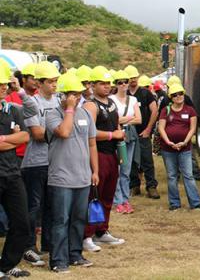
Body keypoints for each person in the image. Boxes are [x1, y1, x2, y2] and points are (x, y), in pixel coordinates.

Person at [46, 74, 99, 272]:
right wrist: (68, 109)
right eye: (72, 94)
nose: (76, 98)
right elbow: (64, 132)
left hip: (83, 177)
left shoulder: (85, 114)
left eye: (78, 94)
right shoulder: (52, 114)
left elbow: (92, 143)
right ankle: (58, 260)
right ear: (63, 95)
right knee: (61, 220)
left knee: (78, 219)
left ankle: (75, 254)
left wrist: (95, 170)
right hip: (61, 177)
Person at [20, 62, 63, 267]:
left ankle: (48, 243)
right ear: (39, 83)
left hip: (55, 161)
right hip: (35, 162)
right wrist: (59, 130)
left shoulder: (59, 101)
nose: (54, 85)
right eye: (50, 81)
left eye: (56, 81)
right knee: (33, 206)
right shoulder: (32, 103)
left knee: (51, 205)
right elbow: (37, 134)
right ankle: (28, 245)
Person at [82, 67, 126, 253]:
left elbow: (116, 126)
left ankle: (102, 230)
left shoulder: (112, 103)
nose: (107, 87)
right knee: (95, 196)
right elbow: (88, 133)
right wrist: (111, 135)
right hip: (97, 154)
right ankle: (87, 234)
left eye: (109, 83)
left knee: (108, 194)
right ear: (92, 85)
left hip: (111, 154)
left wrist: (119, 141)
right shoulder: (91, 106)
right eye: (102, 83)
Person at [0, 68, 33, 278]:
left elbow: (25, 137)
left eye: (4, 84)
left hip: (12, 174)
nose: (3, 88)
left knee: (22, 222)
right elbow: (17, 138)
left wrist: (3, 140)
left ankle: (6, 265)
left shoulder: (13, 109)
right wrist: (12, 139)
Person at [157, 82, 200, 211]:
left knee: (188, 175)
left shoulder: (190, 110)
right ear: (171, 97)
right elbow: (161, 128)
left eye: (180, 94)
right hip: (168, 149)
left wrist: (185, 142)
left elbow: (192, 129)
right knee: (172, 176)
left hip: (185, 148)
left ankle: (195, 203)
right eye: (175, 95)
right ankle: (174, 204)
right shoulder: (165, 110)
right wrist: (168, 142)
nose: (178, 96)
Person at [110, 70, 141, 214]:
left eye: (125, 82)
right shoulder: (111, 100)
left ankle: (125, 199)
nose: (123, 85)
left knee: (126, 170)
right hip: (118, 135)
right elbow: (114, 120)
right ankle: (117, 200)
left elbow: (139, 119)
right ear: (116, 84)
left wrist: (124, 119)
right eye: (120, 82)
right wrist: (130, 118)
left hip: (130, 135)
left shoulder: (133, 100)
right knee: (116, 168)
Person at [127, 68, 160, 200]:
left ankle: (151, 186)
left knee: (147, 160)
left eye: (135, 77)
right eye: (130, 78)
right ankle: (134, 186)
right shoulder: (123, 94)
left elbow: (154, 111)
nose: (133, 80)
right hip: (129, 133)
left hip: (143, 133)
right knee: (130, 162)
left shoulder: (145, 93)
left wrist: (148, 129)